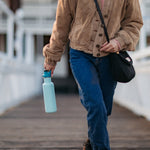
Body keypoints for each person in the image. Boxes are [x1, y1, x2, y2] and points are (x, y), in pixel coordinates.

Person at [43, 0, 143, 150]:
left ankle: (92, 141)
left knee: (104, 108)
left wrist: (119, 41)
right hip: (81, 55)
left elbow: (134, 23)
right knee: (96, 105)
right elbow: (61, 24)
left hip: (110, 58)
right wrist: (52, 58)